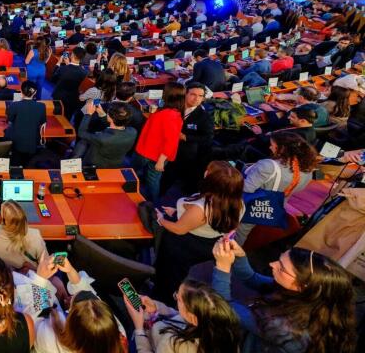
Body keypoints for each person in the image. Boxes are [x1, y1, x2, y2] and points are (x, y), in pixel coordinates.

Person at [212, 238, 356, 353]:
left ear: (302, 286)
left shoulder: (286, 328)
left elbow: (221, 308)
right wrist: (240, 256)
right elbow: (251, 278)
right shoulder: (313, 299)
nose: (271, 264)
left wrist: (222, 267)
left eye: (281, 267)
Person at [152, 161, 244, 303]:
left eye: (209, 171)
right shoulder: (237, 203)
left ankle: (162, 300)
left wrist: (161, 219)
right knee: (179, 273)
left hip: (184, 245)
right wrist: (179, 211)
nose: (205, 172)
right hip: (207, 242)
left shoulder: (201, 209)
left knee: (170, 274)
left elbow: (179, 229)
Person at [16, 253, 125, 353]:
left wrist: (40, 279)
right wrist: (71, 271)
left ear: (70, 324)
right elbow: (86, 291)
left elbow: (33, 318)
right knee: (57, 283)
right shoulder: (118, 333)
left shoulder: (49, 340)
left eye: (79, 304)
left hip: (39, 319)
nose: (86, 295)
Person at [235, 131, 318, 244]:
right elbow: (296, 188)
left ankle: (231, 255)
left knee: (239, 234)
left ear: (282, 149)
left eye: (272, 145)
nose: (270, 147)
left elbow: (246, 189)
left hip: (254, 206)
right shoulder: (307, 170)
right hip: (277, 206)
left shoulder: (268, 166)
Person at [123, 278, 242, 353]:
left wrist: (139, 329)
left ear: (193, 318)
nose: (174, 297)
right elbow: (178, 316)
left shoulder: (173, 344)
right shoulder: (225, 332)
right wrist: (156, 309)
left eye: (178, 299)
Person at [135, 82, 185, 200]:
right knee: (152, 179)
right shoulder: (174, 112)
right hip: (153, 152)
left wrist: (161, 161)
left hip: (149, 152)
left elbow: (171, 141)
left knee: (140, 175)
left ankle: (151, 202)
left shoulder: (169, 115)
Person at [163, 82, 214, 194]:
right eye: (193, 94)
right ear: (185, 93)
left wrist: (186, 137)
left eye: (200, 96)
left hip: (184, 154)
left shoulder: (204, 117)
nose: (196, 98)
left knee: (169, 178)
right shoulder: (175, 106)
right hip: (165, 146)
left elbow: (208, 138)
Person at [72, 101, 137, 168]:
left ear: (110, 118)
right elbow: (115, 125)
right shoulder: (133, 131)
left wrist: (88, 114)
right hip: (116, 164)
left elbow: (81, 133)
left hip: (96, 165)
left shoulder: (102, 138)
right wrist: (102, 113)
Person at [5, 81, 47, 167]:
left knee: (15, 163)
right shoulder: (42, 106)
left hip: (17, 144)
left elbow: (9, 121)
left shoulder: (14, 105)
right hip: (33, 143)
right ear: (35, 92)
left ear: (21, 91)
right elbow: (42, 124)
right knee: (29, 164)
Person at [51, 47, 88, 120]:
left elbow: (53, 79)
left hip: (59, 96)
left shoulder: (62, 68)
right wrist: (68, 64)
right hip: (73, 98)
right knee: (68, 118)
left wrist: (58, 63)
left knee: (57, 118)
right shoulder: (84, 72)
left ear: (72, 55)